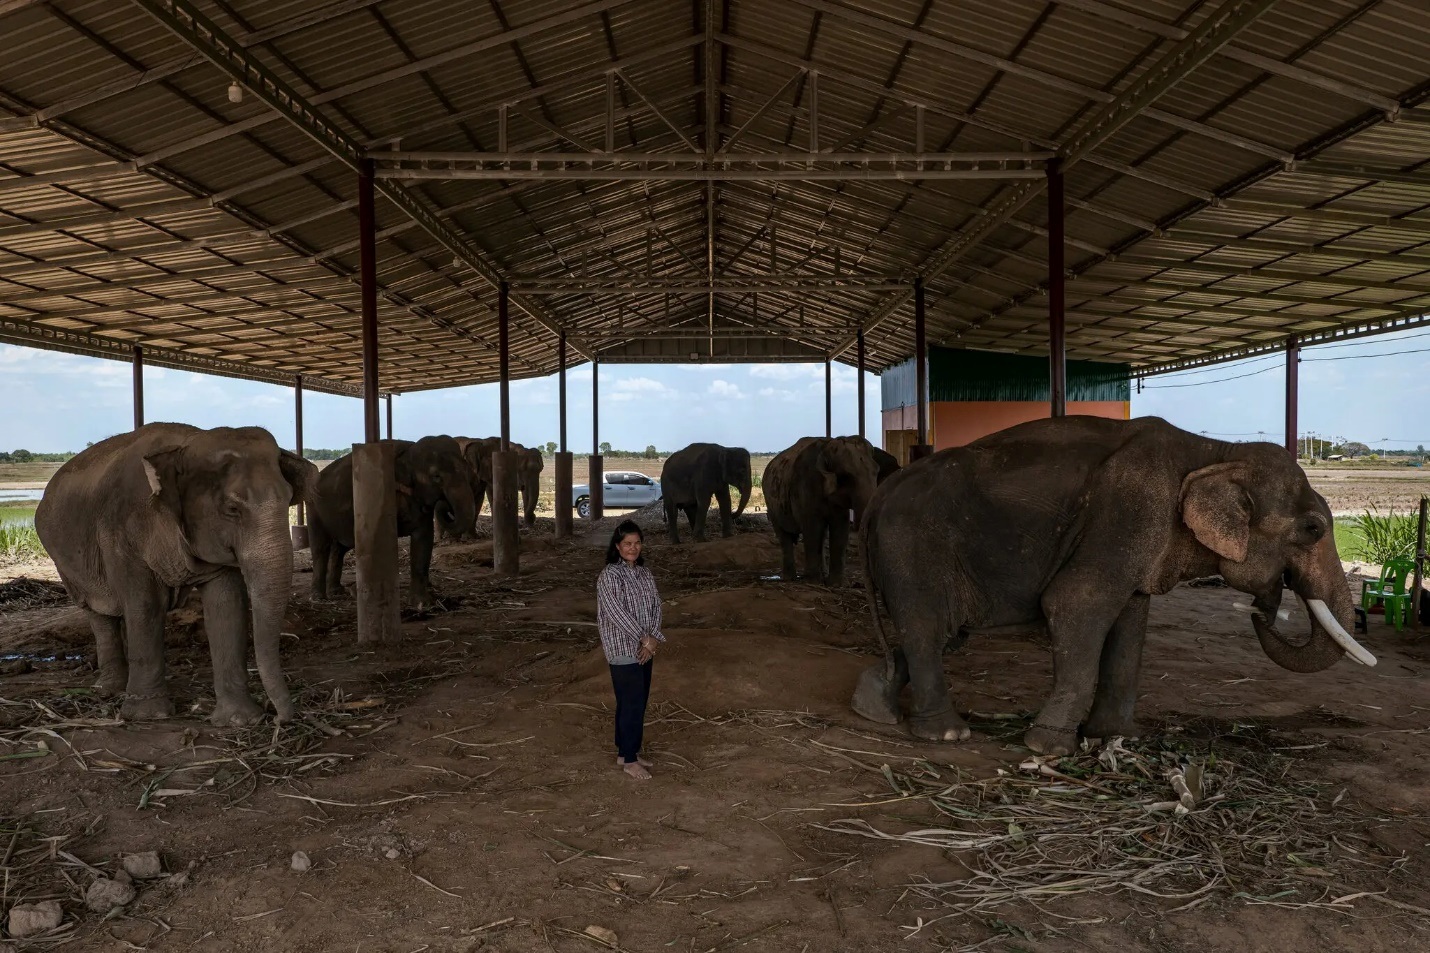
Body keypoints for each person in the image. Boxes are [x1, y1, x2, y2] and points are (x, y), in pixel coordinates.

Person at [596, 520, 665, 780]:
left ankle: (626, 753)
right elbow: (615, 613)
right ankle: (630, 760)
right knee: (632, 704)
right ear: (617, 546)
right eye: (627, 543)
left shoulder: (644, 573)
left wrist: (653, 638)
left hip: (646, 647)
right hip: (623, 648)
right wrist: (643, 638)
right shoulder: (610, 575)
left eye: (637, 543)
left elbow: (657, 605)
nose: (632, 548)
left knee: (636, 702)